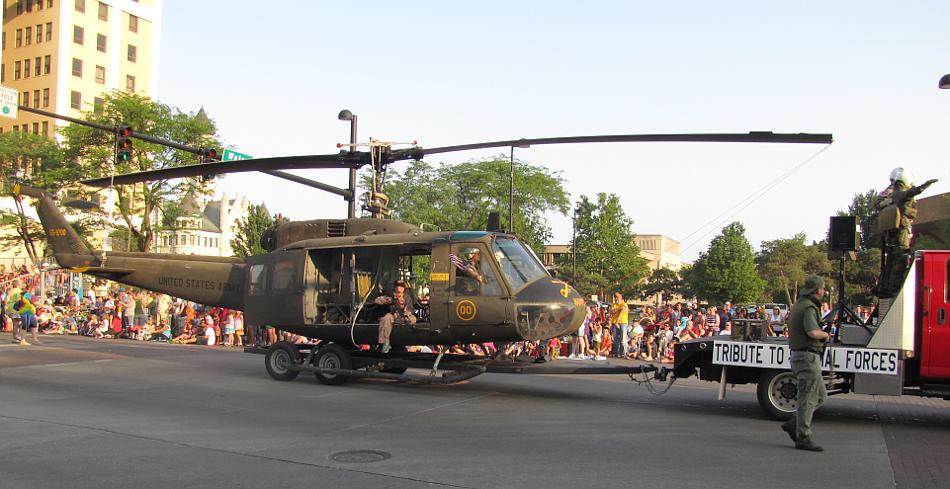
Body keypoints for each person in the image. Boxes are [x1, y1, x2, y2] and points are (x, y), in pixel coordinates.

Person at [781, 275, 830, 452]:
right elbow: (812, 332)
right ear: (817, 290)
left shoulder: (799, 305)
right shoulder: (809, 308)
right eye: (823, 288)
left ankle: (795, 423)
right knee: (808, 399)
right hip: (807, 356)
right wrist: (825, 335)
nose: (824, 291)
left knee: (819, 396)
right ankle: (803, 436)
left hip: (802, 356)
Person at [876, 168, 938, 297]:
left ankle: (884, 286)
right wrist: (927, 184)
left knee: (890, 263)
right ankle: (893, 289)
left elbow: (879, 203)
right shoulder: (902, 194)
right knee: (900, 260)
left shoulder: (892, 194)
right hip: (901, 233)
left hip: (892, 234)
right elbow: (915, 191)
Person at [374, 279, 418, 354]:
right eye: (398, 286)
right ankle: (384, 343)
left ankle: (407, 340)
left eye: (402, 286)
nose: (400, 288)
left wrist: (406, 314)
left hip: (403, 315)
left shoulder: (407, 297)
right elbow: (377, 300)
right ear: (395, 287)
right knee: (386, 319)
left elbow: (410, 308)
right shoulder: (390, 294)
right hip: (392, 314)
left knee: (413, 319)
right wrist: (390, 300)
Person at [609, 292, 629, 357]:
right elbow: (611, 311)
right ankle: (616, 353)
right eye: (615, 297)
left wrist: (618, 314)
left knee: (623, 339)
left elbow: (623, 310)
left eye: (617, 297)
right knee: (614, 338)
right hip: (614, 322)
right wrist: (618, 309)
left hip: (623, 322)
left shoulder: (624, 304)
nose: (616, 298)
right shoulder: (614, 305)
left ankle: (624, 353)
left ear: (621, 297)